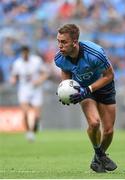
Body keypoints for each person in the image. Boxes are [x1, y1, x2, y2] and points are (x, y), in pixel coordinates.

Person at [54, 24, 117, 173]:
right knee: (94, 123)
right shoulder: (59, 58)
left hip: (104, 86)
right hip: (83, 90)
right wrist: (65, 91)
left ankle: (97, 159)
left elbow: (109, 76)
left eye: (64, 42)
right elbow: (66, 72)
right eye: (58, 41)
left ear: (75, 42)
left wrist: (88, 89)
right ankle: (100, 154)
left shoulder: (95, 53)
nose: (60, 46)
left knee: (108, 130)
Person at [10, 46, 49, 142]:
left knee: (37, 115)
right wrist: (13, 80)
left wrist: (39, 80)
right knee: (25, 112)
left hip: (36, 89)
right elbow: (14, 76)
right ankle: (29, 132)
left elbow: (45, 73)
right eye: (23, 53)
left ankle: (34, 128)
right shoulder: (17, 63)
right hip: (24, 89)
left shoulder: (37, 61)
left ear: (28, 52)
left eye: (26, 53)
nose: (24, 55)